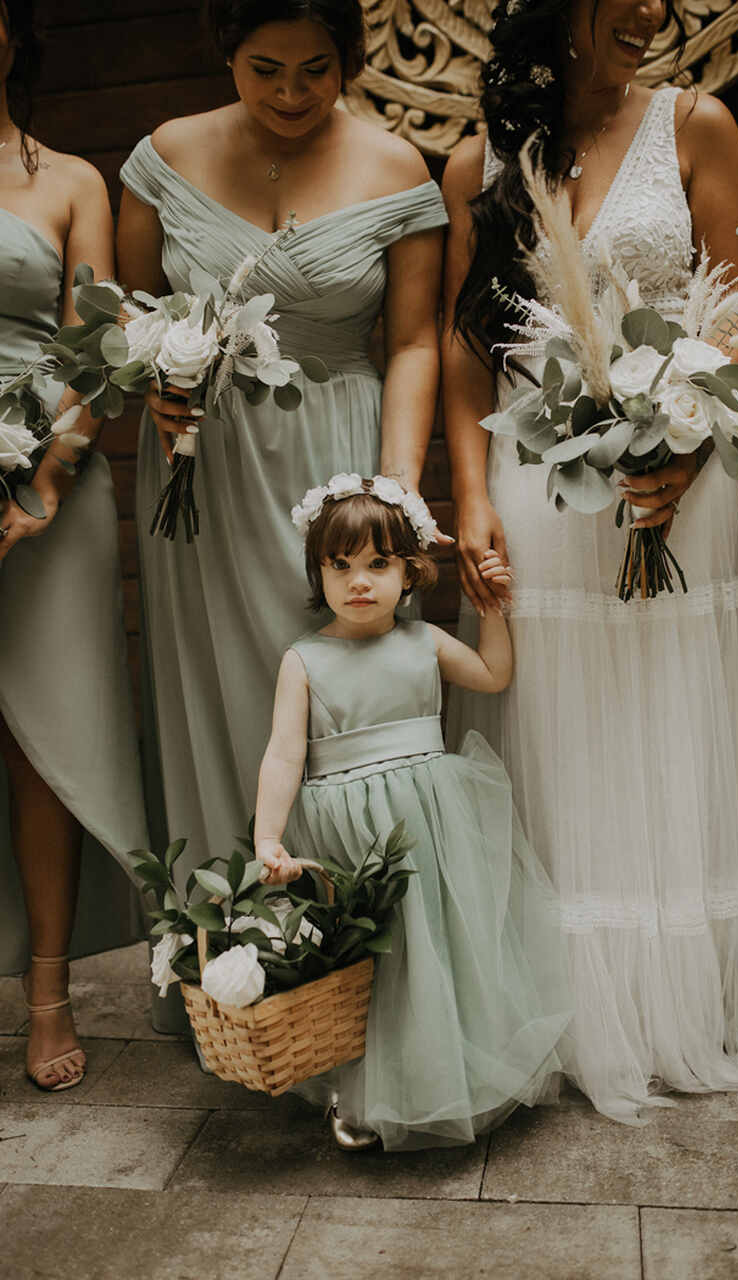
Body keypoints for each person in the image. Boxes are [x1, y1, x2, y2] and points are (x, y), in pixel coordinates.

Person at [441, 0, 738, 1121]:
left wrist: (682, 439)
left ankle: (676, 1000)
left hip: (677, 473)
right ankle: (566, 1005)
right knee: (562, 729)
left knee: (670, 723)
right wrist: (472, 498)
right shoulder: (479, 157)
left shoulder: (699, 124)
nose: (646, 11)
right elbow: (463, 345)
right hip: (537, 485)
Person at [116, 0, 447, 1029]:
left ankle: (362, 987)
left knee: (347, 713)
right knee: (228, 702)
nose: (295, 95)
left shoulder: (396, 168)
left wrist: (386, 498)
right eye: (267, 70)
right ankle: (238, 985)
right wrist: (151, 381)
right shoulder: (162, 157)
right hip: (199, 473)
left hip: (335, 464)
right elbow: (128, 309)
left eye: (318, 70)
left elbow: (412, 344)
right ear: (225, 55)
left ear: (348, 60)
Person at [254, 474, 572, 1151]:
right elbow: (284, 754)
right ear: (317, 572)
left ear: (410, 570)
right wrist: (268, 835)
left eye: (377, 563)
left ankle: (449, 1073)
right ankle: (364, 1086)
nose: (358, 581)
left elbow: (492, 675)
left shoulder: (422, 641)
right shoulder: (305, 659)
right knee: (376, 960)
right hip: (350, 832)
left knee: (437, 949)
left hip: (426, 822)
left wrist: (493, 606)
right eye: (339, 566)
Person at [0, 0, 147, 1089]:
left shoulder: (71, 181)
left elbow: (101, 342)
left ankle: (49, 994)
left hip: (51, 476)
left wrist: (39, 476)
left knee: (40, 739)